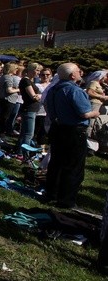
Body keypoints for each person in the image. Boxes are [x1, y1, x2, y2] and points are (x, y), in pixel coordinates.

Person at [44, 63, 99, 208]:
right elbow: (84, 113)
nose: (80, 72)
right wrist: (96, 113)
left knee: (56, 163)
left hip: (58, 128)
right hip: (73, 130)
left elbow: (47, 107)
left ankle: (51, 193)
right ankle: (66, 200)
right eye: (77, 71)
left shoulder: (53, 89)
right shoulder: (74, 91)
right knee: (73, 166)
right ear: (72, 75)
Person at [0, 62, 20, 144]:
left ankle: (0, 135)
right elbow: (9, 90)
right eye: (15, 68)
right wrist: (18, 89)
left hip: (4, 100)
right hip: (8, 100)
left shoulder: (4, 77)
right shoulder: (8, 77)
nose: (17, 70)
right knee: (4, 119)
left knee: (3, 118)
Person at [17, 63, 42, 151]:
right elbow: (33, 97)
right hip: (29, 109)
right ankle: (25, 154)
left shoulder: (30, 81)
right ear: (31, 70)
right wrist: (42, 96)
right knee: (28, 134)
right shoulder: (26, 81)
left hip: (31, 109)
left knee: (24, 133)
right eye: (37, 70)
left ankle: (19, 152)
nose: (39, 73)